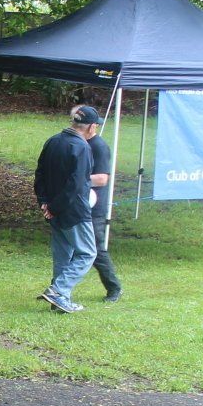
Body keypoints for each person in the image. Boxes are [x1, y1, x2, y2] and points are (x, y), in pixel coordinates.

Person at [34, 105, 99, 314]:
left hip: (53, 209)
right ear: (90, 126)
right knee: (87, 253)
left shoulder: (54, 141)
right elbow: (77, 185)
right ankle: (58, 290)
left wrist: (45, 203)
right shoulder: (82, 148)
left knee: (63, 255)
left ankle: (60, 301)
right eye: (95, 126)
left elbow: (40, 174)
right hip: (73, 211)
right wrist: (54, 206)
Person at [82, 107, 121, 301]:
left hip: (94, 207)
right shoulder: (77, 143)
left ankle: (114, 288)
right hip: (78, 203)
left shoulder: (99, 147)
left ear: (92, 126)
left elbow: (102, 179)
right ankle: (59, 288)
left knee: (96, 249)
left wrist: (76, 179)